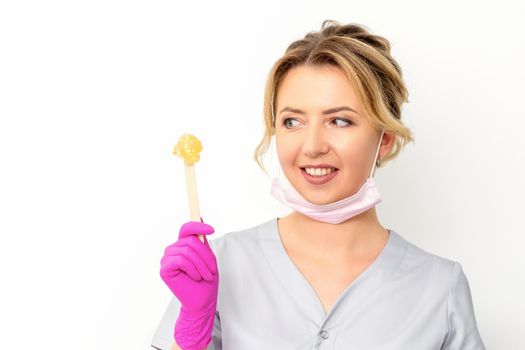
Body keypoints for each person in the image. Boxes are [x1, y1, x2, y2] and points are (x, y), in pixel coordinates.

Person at [151, 20, 486, 350]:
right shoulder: (219, 266)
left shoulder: (439, 288)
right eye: (292, 121)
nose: (312, 146)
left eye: (339, 120)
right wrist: (192, 330)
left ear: (385, 139)